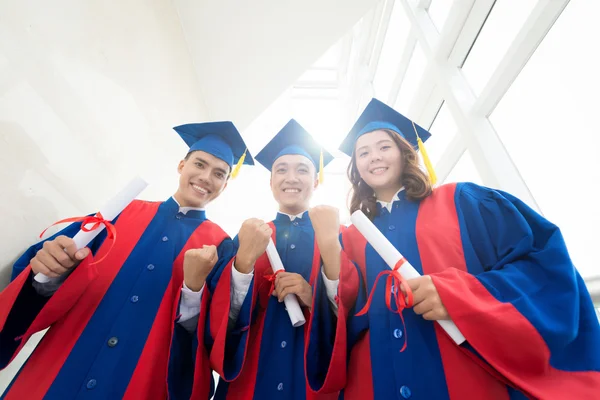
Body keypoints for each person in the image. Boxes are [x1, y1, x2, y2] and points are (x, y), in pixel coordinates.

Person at [306, 98, 600, 399]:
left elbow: (542, 267)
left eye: (384, 147)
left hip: (467, 378)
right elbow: (338, 318)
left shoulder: (465, 202)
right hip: (374, 382)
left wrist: (457, 295)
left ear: (405, 152)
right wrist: (329, 247)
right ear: (356, 168)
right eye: (363, 153)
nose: (374, 158)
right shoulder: (352, 237)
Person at [0, 121, 253, 400]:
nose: (206, 177)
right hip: (61, 363)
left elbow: (210, 334)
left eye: (219, 173)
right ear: (182, 165)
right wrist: (49, 273)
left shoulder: (220, 246)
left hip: (141, 380)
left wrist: (193, 291)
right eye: (199, 164)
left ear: (225, 185)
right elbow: (43, 275)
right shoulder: (120, 213)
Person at [207, 119, 338, 399]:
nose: (291, 178)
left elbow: (356, 314)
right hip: (250, 379)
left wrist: (311, 295)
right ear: (271, 182)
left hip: (313, 380)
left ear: (316, 181)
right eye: (281, 170)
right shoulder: (248, 236)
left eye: (302, 170)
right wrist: (242, 268)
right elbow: (220, 317)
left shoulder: (335, 237)